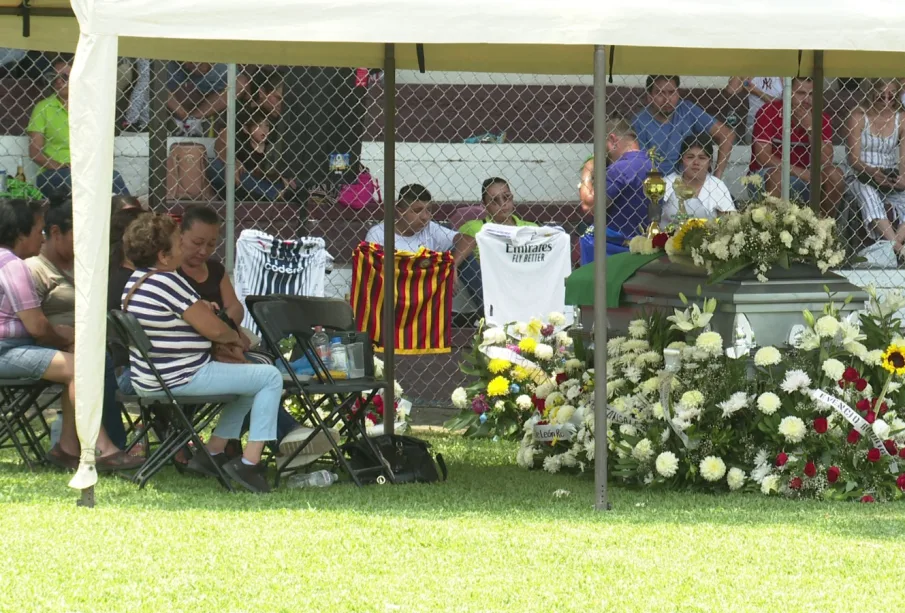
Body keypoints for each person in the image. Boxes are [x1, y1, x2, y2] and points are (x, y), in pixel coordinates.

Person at [122, 213, 281, 493]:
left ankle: (214, 452)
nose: (183, 249)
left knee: (248, 381)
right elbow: (215, 331)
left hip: (151, 376)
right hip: (182, 376)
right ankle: (250, 462)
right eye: (178, 244)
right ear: (163, 254)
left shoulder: (137, 281)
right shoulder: (167, 281)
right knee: (269, 377)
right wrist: (236, 338)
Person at [0, 199, 143, 471]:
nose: (41, 239)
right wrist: (65, 337)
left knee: (77, 359)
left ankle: (67, 447)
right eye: (38, 231)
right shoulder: (14, 266)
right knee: (81, 368)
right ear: (20, 233)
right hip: (6, 350)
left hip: (11, 348)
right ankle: (100, 447)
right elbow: (38, 328)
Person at [27, 199, 134, 450]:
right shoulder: (35, 269)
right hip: (51, 347)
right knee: (96, 360)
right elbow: (33, 326)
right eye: (80, 235)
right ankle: (107, 445)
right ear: (56, 233)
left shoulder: (85, 266)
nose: (87, 243)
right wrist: (67, 339)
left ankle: (75, 444)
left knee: (99, 357)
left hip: (87, 344)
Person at [27, 57, 130, 199]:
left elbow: (102, 147)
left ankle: (128, 215)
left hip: (87, 170)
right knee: (107, 181)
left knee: (112, 177)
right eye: (54, 77)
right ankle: (129, 215)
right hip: (54, 172)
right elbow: (34, 152)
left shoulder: (90, 108)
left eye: (65, 77)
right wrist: (59, 166)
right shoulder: (43, 108)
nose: (58, 81)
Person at [748, 77, 844, 217]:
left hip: (808, 180)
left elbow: (826, 160)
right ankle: (774, 230)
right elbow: (763, 157)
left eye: (811, 94)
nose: (807, 99)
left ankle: (823, 228)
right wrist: (800, 172)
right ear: (787, 92)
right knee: (777, 176)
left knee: (835, 174)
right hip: (768, 177)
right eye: (800, 93)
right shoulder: (768, 112)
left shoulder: (822, 118)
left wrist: (810, 128)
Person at [454, 178, 537, 309]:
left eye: (506, 197)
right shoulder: (475, 227)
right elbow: (457, 246)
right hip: (490, 286)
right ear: (484, 205)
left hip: (525, 282)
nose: (503, 204)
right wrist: (453, 265)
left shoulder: (531, 228)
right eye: (494, 201)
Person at [632, 75, 735, 178]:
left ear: (678, 93)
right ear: (649, 97)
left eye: (672, 93)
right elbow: (640, 166)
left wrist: (717, 177)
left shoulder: (686, 109)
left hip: (688, 181)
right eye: (660, 93)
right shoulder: (639, 122)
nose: (667, 100)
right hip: (656, 183)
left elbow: (727, 135)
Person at [845, 79, 905, 252]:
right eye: (881, 95)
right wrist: (873, 172)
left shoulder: (901, 118)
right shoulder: (858, 116)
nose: (886, 99)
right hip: (861, 174)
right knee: (868, 193)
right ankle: (898, 249)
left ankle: (895, 246)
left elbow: (904, 159)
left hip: (890, 175)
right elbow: (854, 160)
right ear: (870, 92)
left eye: (891, 95)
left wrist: (902, 178)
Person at [208, 110, 298, 201]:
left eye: (267, 126)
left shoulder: (272, 148)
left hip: (270, 184)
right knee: (219, 167)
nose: (264, 130)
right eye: (258, 126)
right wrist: (233, 163)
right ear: (246, 129)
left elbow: (278, 173)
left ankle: (286, 194)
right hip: (249, 184)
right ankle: (277, 195)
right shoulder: (241, 147)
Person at [662, 133, 736, 225]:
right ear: (681, 159)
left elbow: (729, 223)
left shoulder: (717, 185)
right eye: (690, 157)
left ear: (709, 162)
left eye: (702, 158)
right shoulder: (667, 183)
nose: (696, 162)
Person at [365, 184, 459, 253]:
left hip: (426, 279)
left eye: (428, 210)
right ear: (401, 211)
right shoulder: (378, 234)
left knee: (464, 254)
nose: (425, 217)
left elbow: (467, 240)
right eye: (417, 211)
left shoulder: (429, 228)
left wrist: (454, 263)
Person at [166, 62, 250, 136]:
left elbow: (244, 87)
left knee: (241, 83)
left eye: (191, 63)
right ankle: (185, 120)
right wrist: (182, 113)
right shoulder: (176, 66)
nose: (187, 66)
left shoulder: (224, 67)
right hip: (185, 99)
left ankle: (193, 120)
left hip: (211, 102)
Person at [726, 77, 783, 141]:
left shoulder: (781, 73)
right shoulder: (751, 70)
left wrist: (757, 92)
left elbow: (784, 103)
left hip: (777, 122)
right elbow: (731, 90)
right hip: (754, 121)